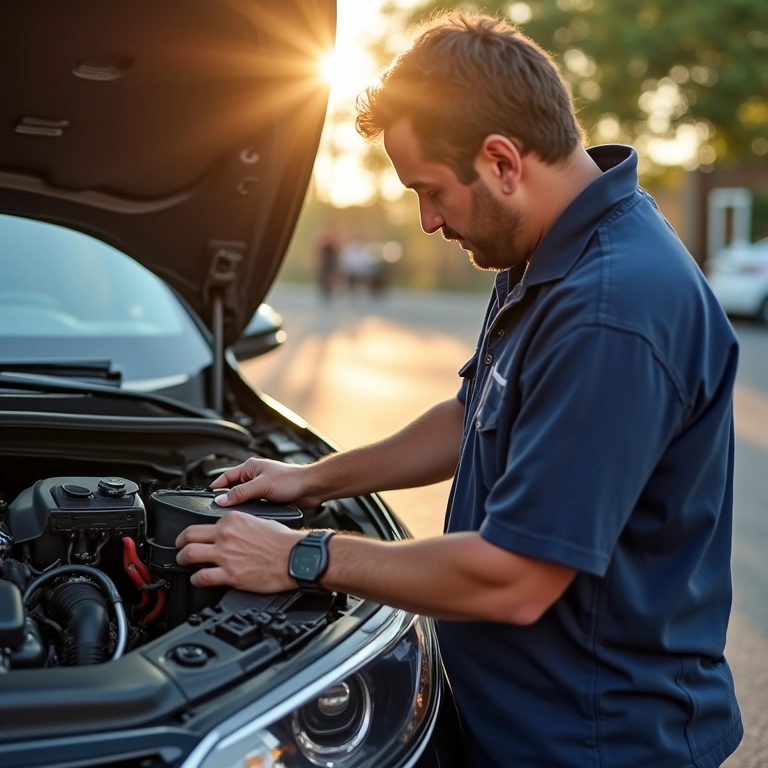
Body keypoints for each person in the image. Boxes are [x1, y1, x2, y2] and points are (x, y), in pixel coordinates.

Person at [176, 12, 743, 767]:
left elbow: (515, 578)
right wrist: (312, 476)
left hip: (593, 742)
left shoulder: (612, 310)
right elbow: (471, 414)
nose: (428, 219)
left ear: (503, 161)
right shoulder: (542, 247)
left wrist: (300, 556)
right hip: (513, 718)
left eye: (432, 191)